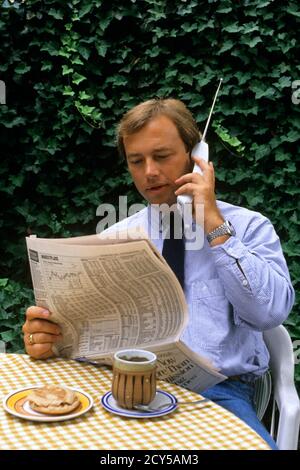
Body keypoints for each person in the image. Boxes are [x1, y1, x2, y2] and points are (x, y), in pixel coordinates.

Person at [23, 98, 295, 449]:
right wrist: (47, 337)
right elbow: (83, 344)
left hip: (216, 395)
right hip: (121, 391)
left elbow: (269, 313)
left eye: (162, 156)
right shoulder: (113, 240)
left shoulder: (248, 228)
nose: (149, 172)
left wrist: (214, 225)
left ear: (197, 156)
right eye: (137, 161)